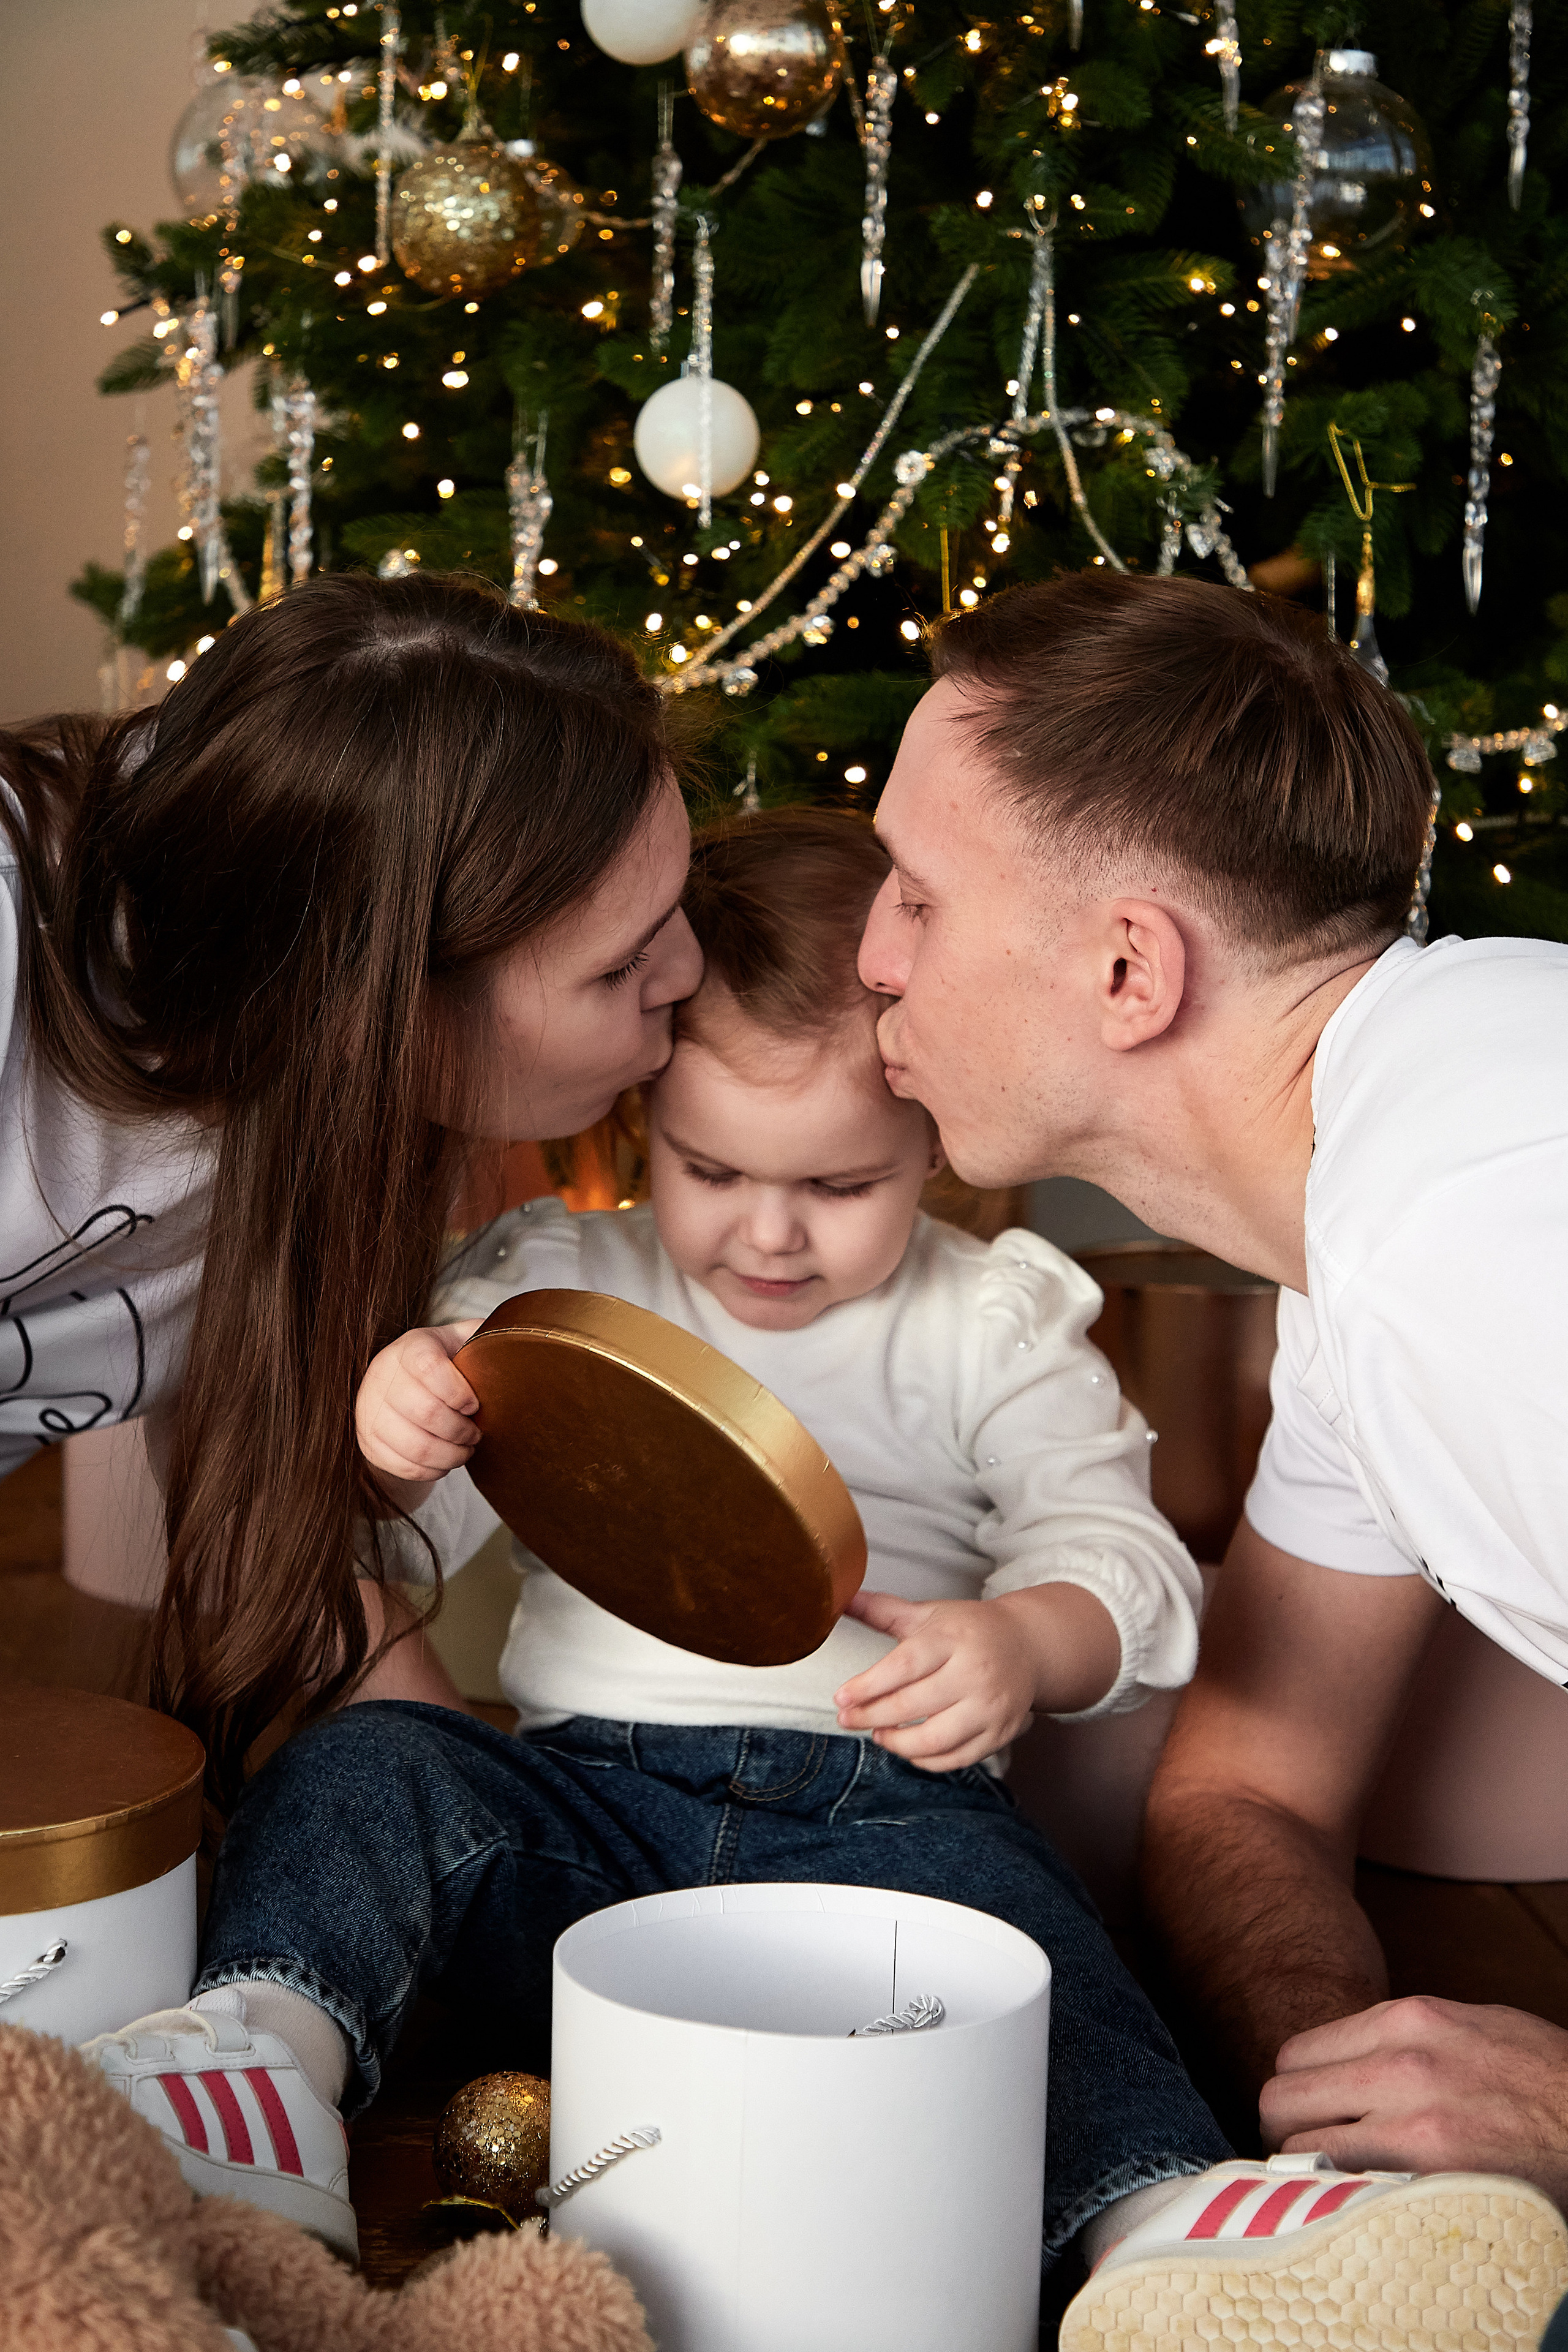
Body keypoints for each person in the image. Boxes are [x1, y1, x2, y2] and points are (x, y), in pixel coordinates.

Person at [88, 808, 1238, 2287]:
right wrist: (398, 1429)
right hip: (578, 1805)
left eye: (838, 1187)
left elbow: (1130, 1571)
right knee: (374, 1774)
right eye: (711, 1172)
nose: (767, 1234)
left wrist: (1028, 1642)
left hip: (880, 1831)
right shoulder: (563, 1283)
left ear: (932, 1147)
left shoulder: (990, 1319)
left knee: (1025, 1951)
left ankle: (1163, 2226)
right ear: (644, 1128)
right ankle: (256, 2063)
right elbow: (395, 1539)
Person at [854, 568, 1568, 2342]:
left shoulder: (1481, 1242)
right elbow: (1253, 1778)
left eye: (919, 897)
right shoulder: (1364, 1212)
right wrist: (1339, 2134)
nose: (869, 953)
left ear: (1127, 968)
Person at [0, 572, 699, 1804]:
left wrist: (513, 1845)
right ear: (374, 1000)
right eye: (621, 965)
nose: (686, 971)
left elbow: (280, 1547)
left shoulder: (328, 1096)